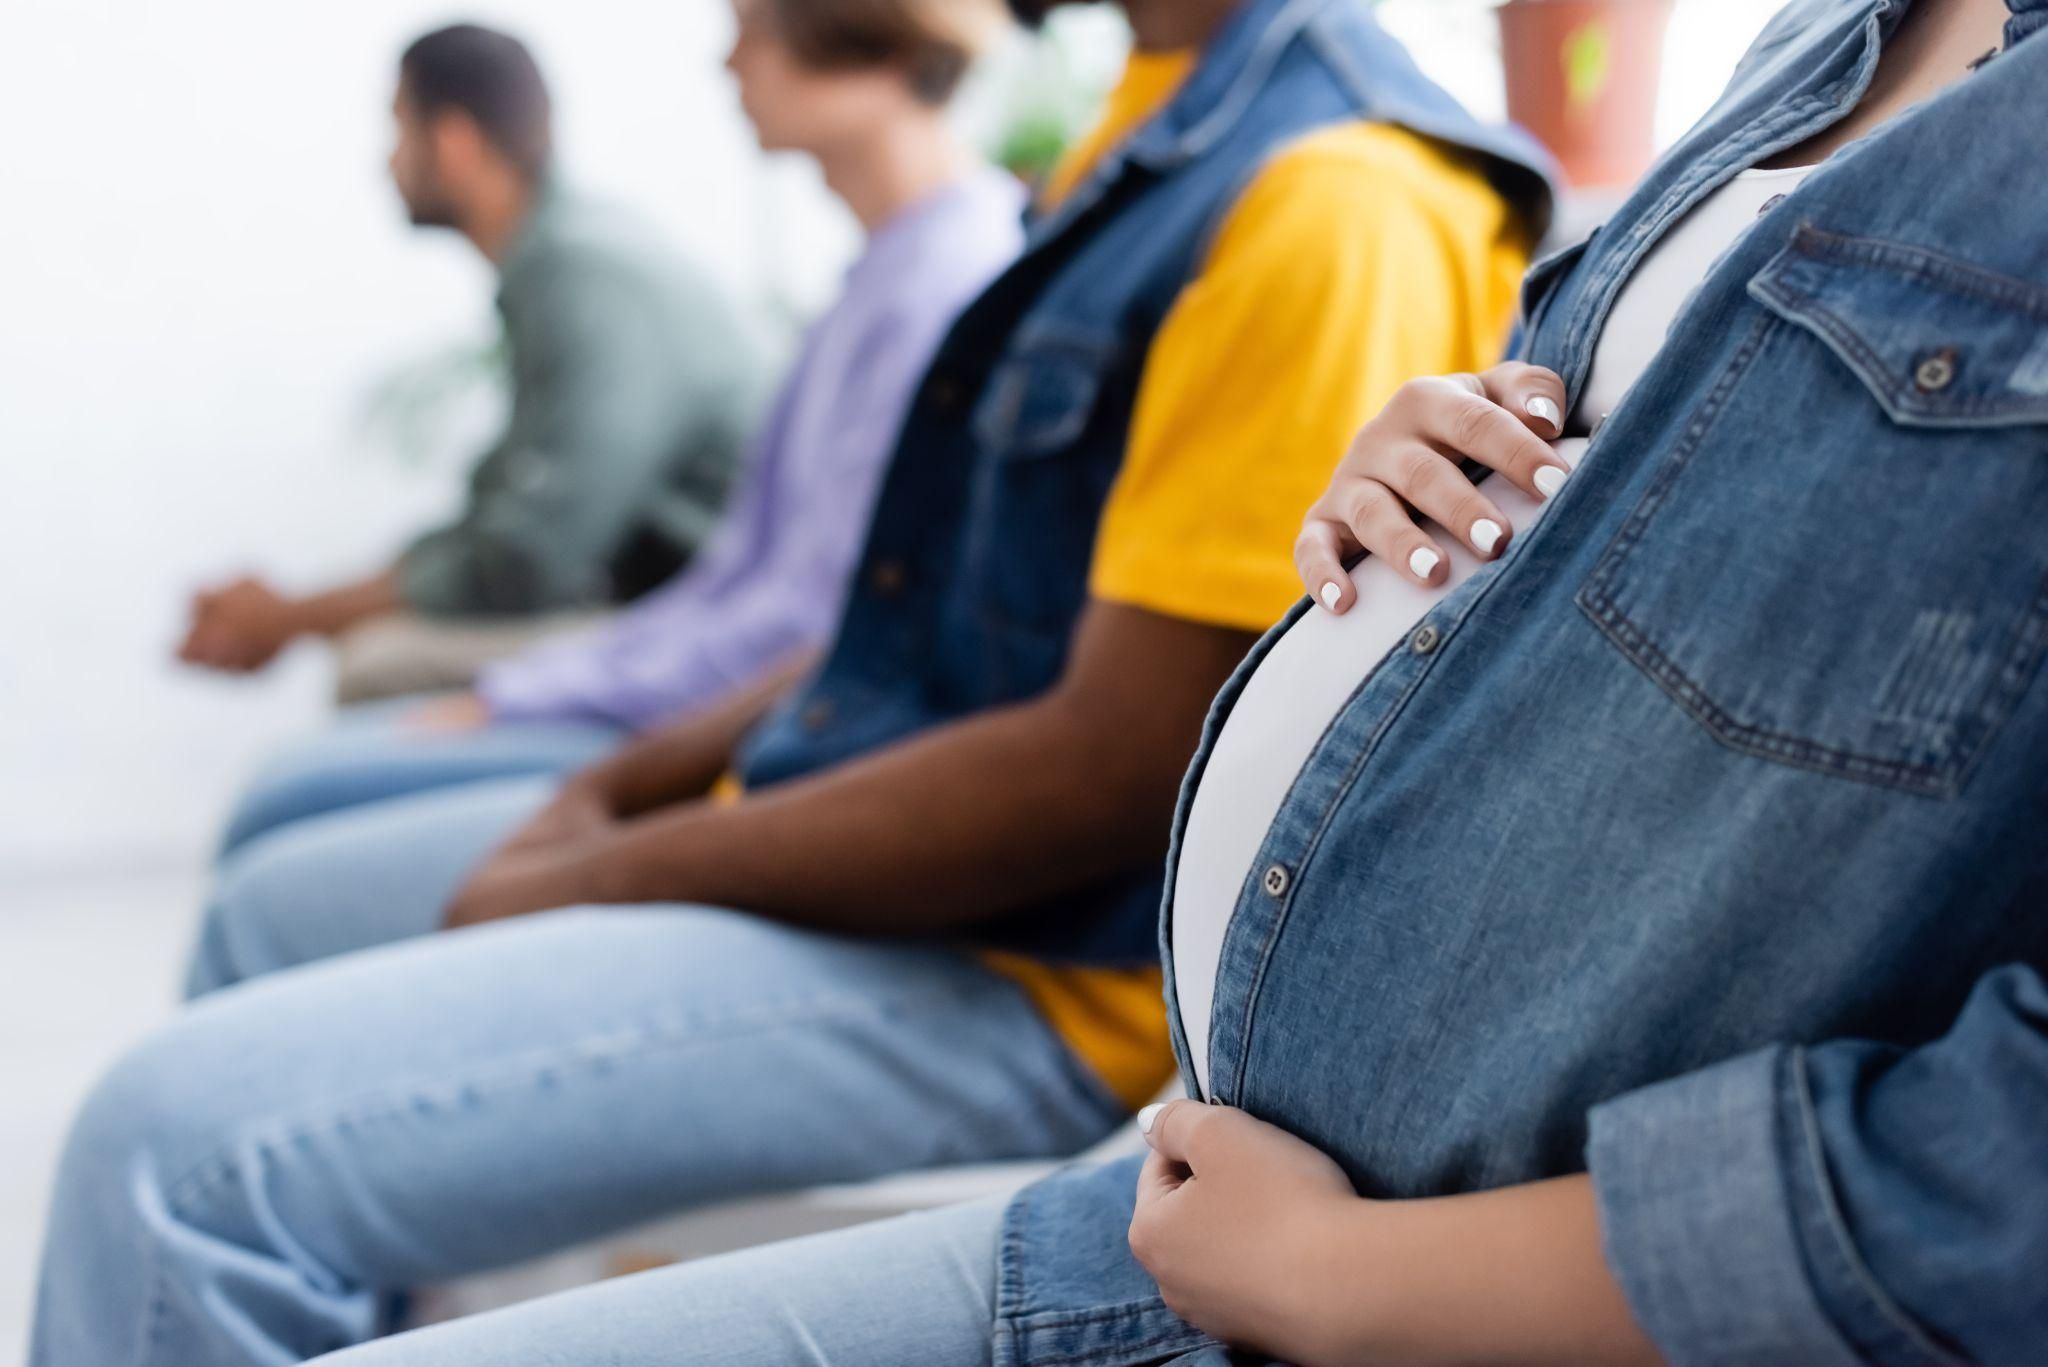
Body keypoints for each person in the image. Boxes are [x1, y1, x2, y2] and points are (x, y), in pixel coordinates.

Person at [295, 0, 2047, 1363]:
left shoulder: (1327, 192)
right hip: (1201, 1160)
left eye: (743, 34)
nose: (718, 63)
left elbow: (1091, 751)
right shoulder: (1825, 42)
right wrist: (1441, 474)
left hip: (1272, 1197)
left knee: (199, 1137)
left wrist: (1352, 1279)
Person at [29, 0, 1552, 1361]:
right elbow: (893, 620)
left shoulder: (1335, 195)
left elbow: (1121, 768)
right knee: (268, 917)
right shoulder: (1146, 126)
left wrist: (611, 867)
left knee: (171, 1152)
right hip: (884, 849)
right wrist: (611, 786)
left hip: (1026, 971)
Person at [203, 0, 1027, 859]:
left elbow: (798, 618)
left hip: (737, 712)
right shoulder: (875, 278)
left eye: (752, 30)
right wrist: (529, 692)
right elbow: (734, 581)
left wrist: (523, 700)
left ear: (875, 51)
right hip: (693, 663)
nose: (728, 64)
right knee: (292, 796)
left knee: (296, 812)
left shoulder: (938, 285)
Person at [175, 24, 768, 704]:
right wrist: (291, 612)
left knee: (378, 664)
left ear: (453, 142)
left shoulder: (579, 275)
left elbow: (526, 560)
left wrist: (288, 618)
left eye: (398, 130)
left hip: (707, 625)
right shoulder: (565, 257)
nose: (387, 163)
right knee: (377, 649)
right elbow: (500, 522)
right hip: (660, 598)